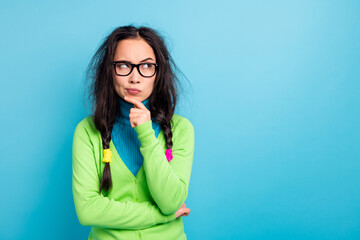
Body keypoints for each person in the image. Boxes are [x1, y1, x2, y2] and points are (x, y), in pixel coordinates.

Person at [72, 25, 195, 240]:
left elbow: (171, 202)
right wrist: (161, 216)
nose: (134, 77)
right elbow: (87, 210)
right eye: (123, 65)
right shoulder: (87, 131)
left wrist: (146, 134)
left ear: (159, 72)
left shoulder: (181, 129)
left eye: (146, 66)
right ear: (109, 71)